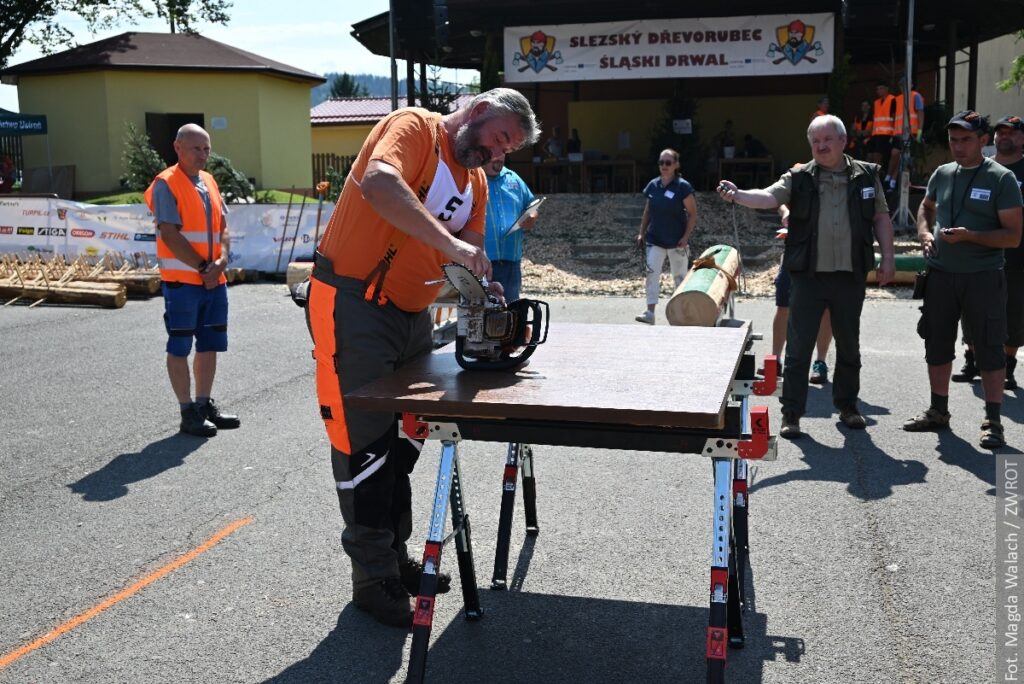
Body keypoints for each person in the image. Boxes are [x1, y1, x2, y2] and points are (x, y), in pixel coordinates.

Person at [307, 88, 541, 627]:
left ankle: (394, 556)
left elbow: (471, 254)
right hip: (351, 302)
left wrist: (483, 288)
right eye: (500, 137)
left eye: (510, 149)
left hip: (412, 317)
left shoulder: (477, 182)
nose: (499, 153)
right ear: (478, 111)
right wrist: (456, 247)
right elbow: (381, 185)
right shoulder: (414, 127)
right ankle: (372, 580)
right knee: (362, 443)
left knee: (404, 441)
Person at [718, 114, 896, 438]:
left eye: (827, 139)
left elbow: (882, 217)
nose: (821, 146)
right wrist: (739, 193)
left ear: (843, 141)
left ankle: (848, 406)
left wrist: (888, 257)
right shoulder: (799, 177)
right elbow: (769, 197)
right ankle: (792, 413)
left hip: (849, 275)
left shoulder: (867, 175)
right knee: (798, 348)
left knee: (849, 345)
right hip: (808, 276)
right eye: (815, 141)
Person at [903, 111, 1023, 449]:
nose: (958, 146)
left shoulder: (1001, 179)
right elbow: (925, 208)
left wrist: (971, 236)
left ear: (983, 141)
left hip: (983, 276)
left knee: (989, 348)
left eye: (966, 139)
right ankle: (938, 411)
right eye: (953, 140)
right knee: (936, 343)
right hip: (942, 275)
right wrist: (925, 233)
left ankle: (993, 420)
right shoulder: (943, 173)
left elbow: (1012, 237)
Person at [144, 124, 240, 438]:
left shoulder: (209, 181)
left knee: (210, 344)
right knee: (180, 345)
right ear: (178, 148)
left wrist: (222, 260)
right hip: (184, 282)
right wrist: (204, 267)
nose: (203, 155)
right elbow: (169, 234)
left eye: (207, 149)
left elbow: (223, 225)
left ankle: (203, 404)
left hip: (214, 280)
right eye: (196, 148)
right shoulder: (166, 184)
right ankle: (187, 412)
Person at [952, 115, 1024, 389]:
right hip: (978, 255)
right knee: (971, 310)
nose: (1005, 136)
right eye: (1000, 132)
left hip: (1016, 257)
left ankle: (1006, 365)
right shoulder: (981, 168)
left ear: (1023, 138)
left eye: (1012, 133)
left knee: (1013, 312)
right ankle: (972, 359)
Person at [635, 148, 697, 324]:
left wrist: (686, 237)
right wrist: (641, 233)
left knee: (680, 277)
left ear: (676, 165)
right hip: (655, 239)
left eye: (668, 162)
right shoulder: (653, 185)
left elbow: (693, 214)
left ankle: (682, 314)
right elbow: (648, 211)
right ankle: (650, 312)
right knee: (651, 274)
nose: (664, 166)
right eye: (661, 162)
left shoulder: (682, 186)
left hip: (677, 241)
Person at [775, 204, 834, 383]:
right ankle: (775, 360)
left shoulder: (840, 176)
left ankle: (820, 362)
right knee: (784, 306)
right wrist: (786, 213)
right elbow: (780, 199)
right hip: (795, 252)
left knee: (826, 309)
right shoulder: (795, 175)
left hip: (828, 251)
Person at [483, 155, 538, 302]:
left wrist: (532, 217)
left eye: (503, 152)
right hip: (481, 263)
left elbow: (531, 206)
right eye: (494, 152)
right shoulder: (472, 178)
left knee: (512, 315)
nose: (499, 157)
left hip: (511, 263)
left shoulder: (513, 178)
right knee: (481, 317)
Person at [887, 79, 926, 191]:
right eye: (901, 85)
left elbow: (920, 113)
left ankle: (893, 182)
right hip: (898, 133)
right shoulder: (898, 99)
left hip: (910, 133)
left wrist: (919, 131)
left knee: (904, 157)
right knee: (895, 155)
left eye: (905, 85)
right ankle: (889, 178)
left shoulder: (915, 96)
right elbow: (895, 118)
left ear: (911, 85)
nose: (902, 87)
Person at [867, 82, 897, 172]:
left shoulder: (892, 100)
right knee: (870, 155)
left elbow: (895, 117)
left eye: (881, 88)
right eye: (877, 89)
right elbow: (875, 119)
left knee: (879, 156)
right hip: (876, 134)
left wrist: (894, 133)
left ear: (886, 89)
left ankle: (877, 177)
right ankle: (875, 175)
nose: (878, 91)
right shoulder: (876, 103)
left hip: (886, 134)